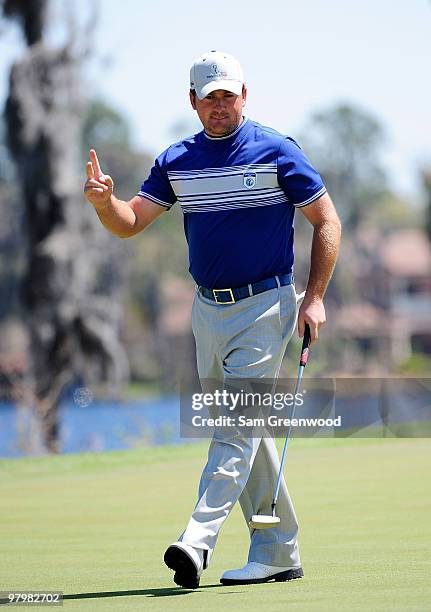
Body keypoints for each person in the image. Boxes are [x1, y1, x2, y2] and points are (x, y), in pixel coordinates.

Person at [84, 50, 341, 589]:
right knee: (248, 432)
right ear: (193, 102)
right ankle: (277, 552)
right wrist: (105, 205)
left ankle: (196, 541)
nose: (220, 105)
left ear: (245, 96)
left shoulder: (277, 150)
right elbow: (132, 222)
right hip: (208, 312)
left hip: (268, 307)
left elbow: (326, 221)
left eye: (229, 95)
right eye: (210, 97)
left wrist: (314, 297)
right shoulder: (177, 159)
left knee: (234, 428)